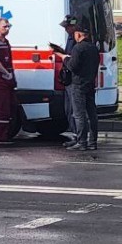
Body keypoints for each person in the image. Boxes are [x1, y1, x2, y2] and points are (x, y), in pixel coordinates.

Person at [63, 20, 100, 153]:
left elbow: (72, 66)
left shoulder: (78, 48)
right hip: (90, 84)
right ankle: (93, 142)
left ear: (79, 34)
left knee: (79, 114)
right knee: (92, 114)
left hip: (78, 84)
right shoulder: (93, 48)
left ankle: (82, 142)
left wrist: (64, 58)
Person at [0, 17, 19, 144]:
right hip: (1, 80)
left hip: (7, 80)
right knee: (4, 108)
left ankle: (2, 133)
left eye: (8, 26)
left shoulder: (5, 41)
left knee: (10, 106)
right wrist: (6, 73)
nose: (7, 28)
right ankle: (0, 136)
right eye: (4, 26)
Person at [50, 16, 79, 139]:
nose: (66, 29)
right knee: (69, 109)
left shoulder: (76, 40)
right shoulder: (71, 38)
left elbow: (72, 60)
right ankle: (75, 134)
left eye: (67, 27)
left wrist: (62, 55)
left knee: (74, 110)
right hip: (68, 79)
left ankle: (78, 136)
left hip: (73, 79)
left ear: (73, 26)